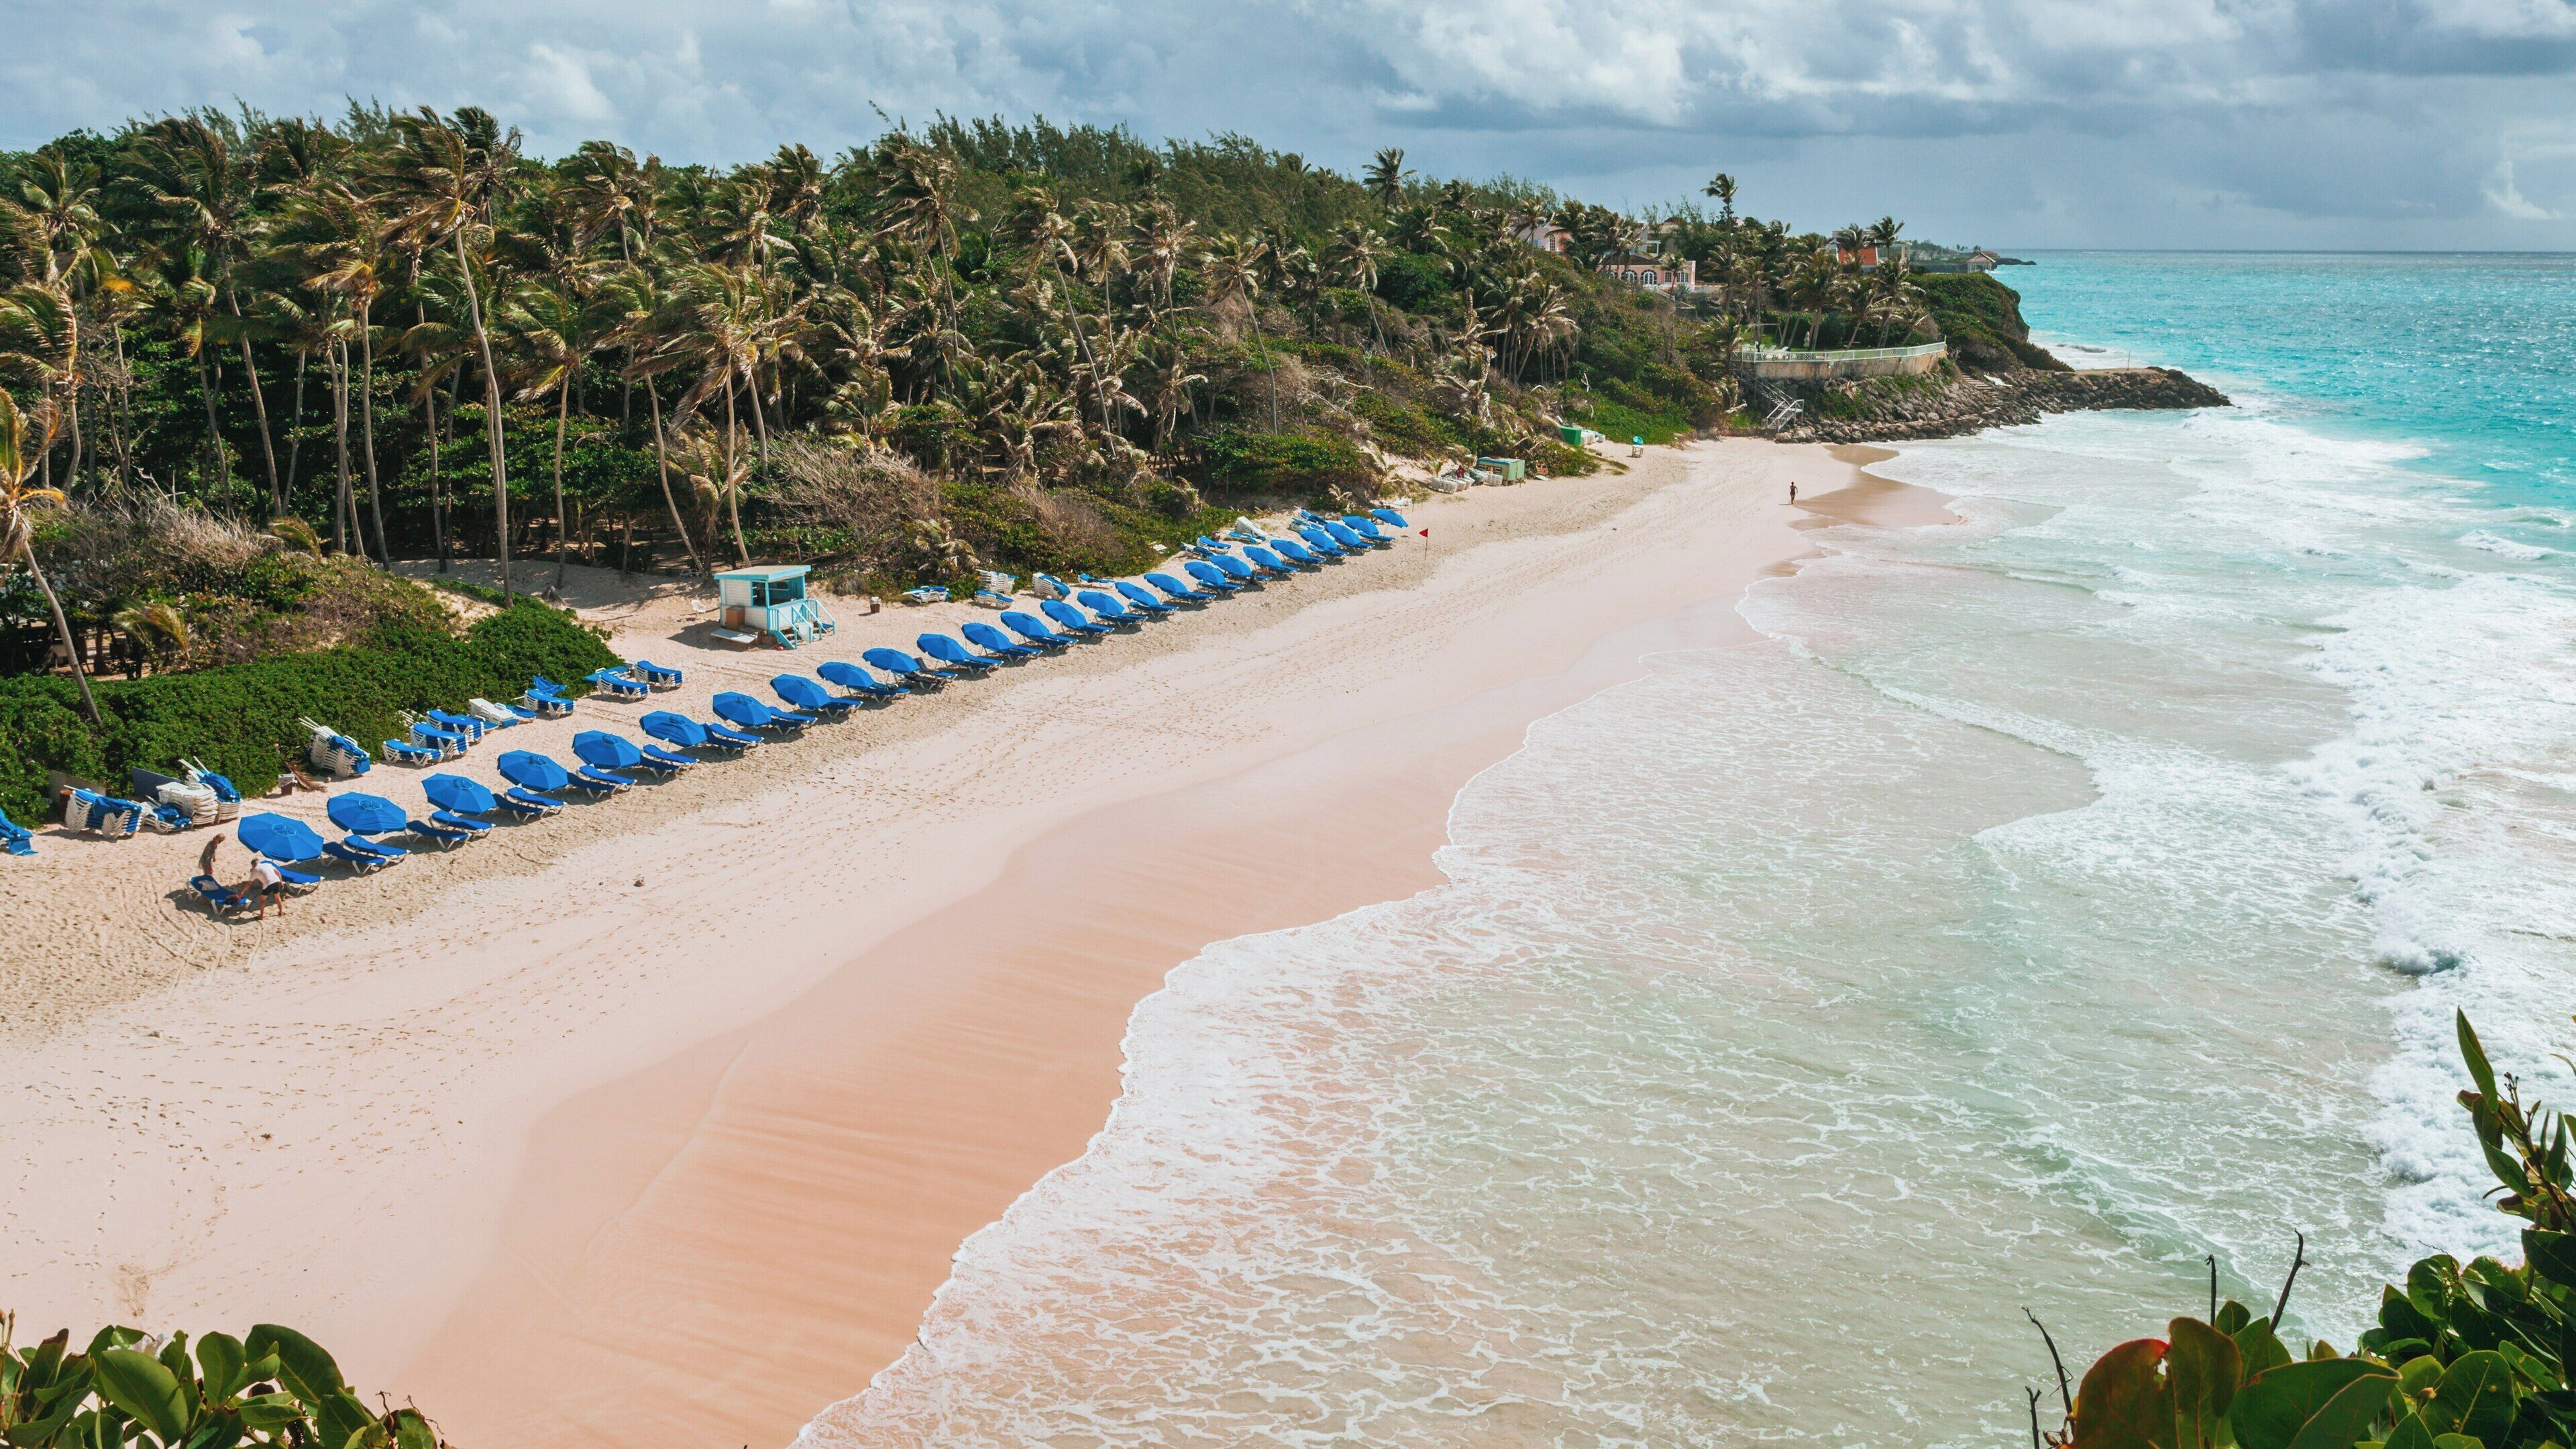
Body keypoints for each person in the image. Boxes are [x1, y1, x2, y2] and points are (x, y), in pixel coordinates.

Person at [246, 854, 287, 920]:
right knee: (277, 897)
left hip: (268, 884)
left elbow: (249, 884)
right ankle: (281, 912)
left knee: (262, 900)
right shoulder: (268, 865)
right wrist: (281, 882)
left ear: (253, 865)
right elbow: (278, 873)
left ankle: (261, 916)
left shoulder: (255, 870)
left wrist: (241, 893)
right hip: (277, 881)